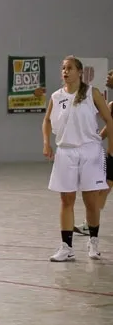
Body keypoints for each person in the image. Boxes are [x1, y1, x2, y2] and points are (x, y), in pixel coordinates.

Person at [43, 57, 113, 261]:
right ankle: (66, 247)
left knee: (91, 201)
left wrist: (111, 147)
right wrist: (46, 143)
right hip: (66, 151)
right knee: (66, 200)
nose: (65, 71)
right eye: (63, 68)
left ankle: (93, 242)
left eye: (70, 68)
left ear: (80, 72)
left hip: (89, 151)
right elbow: (46, 121)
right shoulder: (56, 96)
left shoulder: (92, 93)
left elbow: (109, 119)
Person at [74, 69, 113, 236]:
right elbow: (108, 128)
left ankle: (89, 224)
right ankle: (89, 225)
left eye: (111, 74)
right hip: (111, 157)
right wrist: (93, 140)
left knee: (101, 192)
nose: (108, 76)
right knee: (101, 191)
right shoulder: (111, 105)